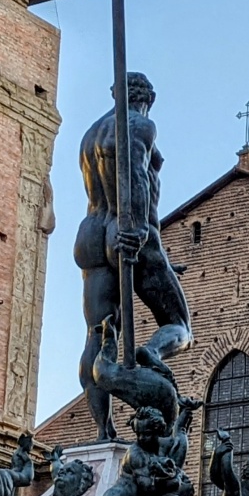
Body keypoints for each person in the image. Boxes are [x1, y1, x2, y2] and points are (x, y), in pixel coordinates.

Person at [74, 72, 193, 440]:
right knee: (180, 326)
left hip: (91, 232)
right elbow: (136, 175)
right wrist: (139, 231)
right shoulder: (141, 125)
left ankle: (103, 431)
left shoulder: (90, 134)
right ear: (146, 99)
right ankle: (152, 352)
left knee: (98, 333)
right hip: (130, 229)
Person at [68, 407, 201, 496]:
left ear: (158, 431)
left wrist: (183, 419)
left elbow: (179, 444)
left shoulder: (165, 445)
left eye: (147, 434)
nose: (142, 438)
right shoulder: (135, 453)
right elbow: (147, 485)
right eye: (139, 434)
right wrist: (173, 481)